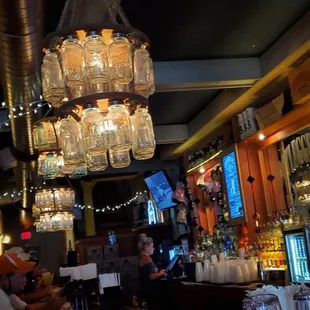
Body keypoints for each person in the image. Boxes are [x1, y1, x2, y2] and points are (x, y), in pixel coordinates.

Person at [138, 234, 165, 309]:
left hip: (149, 292)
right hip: (152, 293)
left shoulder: (143, 258)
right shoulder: (146, 259)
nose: (153, 249)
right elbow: (151, 276)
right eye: (152, 246)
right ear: (146, 247)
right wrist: (161, 273)